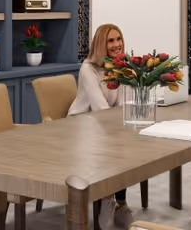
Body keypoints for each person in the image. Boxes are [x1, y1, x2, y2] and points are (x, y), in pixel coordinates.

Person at [68, 23, 134, 228]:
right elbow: (99, 108)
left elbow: (125, 103)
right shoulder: (88, 69)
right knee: (113, 150)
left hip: (105, 124)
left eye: (119, 39)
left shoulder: (121, 65)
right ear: (100, 45)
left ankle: (120, 203)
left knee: (127, 147)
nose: (117, 44)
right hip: (80, 125)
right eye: (111, 40)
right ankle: (108, 200)